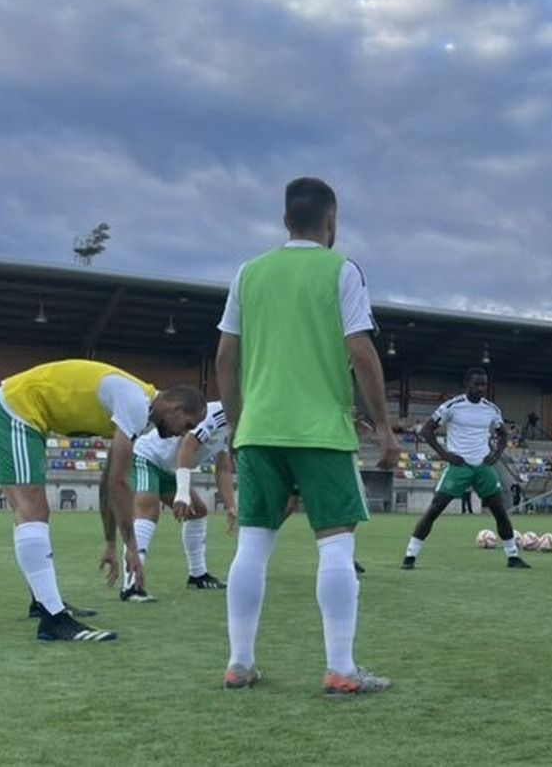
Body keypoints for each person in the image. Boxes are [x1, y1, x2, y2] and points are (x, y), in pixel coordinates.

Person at [216, 176, 398, 695]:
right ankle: (340, 668)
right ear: (332, 220)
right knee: (336, 545)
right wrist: (383, 426)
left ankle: (239, 663)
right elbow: (361, 352)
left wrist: (236, 424)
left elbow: (226, 356)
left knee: (252, 543)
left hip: (259, 431)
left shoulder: (248, 273)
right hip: (320, 430)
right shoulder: (341, 270)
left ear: (284, 221)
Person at [0, 359, 205, 641]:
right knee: (33, 511)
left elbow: (108, 480)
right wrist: (131, 548)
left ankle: (43, 602)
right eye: (186, 425)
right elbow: (119, 484)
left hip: (11, 411)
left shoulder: (136, 406)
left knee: (29, 513)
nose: (182, 434)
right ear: (175, 408)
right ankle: (53, 620)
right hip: (14, 411)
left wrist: (111, 543)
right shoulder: (135, 403)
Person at [402, 369, 530, 569]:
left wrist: (495, 455)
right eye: (477, 384)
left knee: (499, 510)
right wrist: (445, 455)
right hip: (459, 466)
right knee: (435, 508)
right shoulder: (452, 406)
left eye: (483, 385)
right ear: (466, 384)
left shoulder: (491, 409)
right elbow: (427, 430)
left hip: (482, 466)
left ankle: (513, 556)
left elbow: (503, 434)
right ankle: (410, 556)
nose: (481, 388)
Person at [119, 400, 235, 602]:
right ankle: (131, 586)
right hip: (146, 457)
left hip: (168, 467)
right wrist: (182, 494)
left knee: (197, 511)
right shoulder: (218, 413)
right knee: (148, 511)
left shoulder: (235, 424)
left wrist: (231, 505)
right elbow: (187, 447)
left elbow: (224, 468)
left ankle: (197, 575)